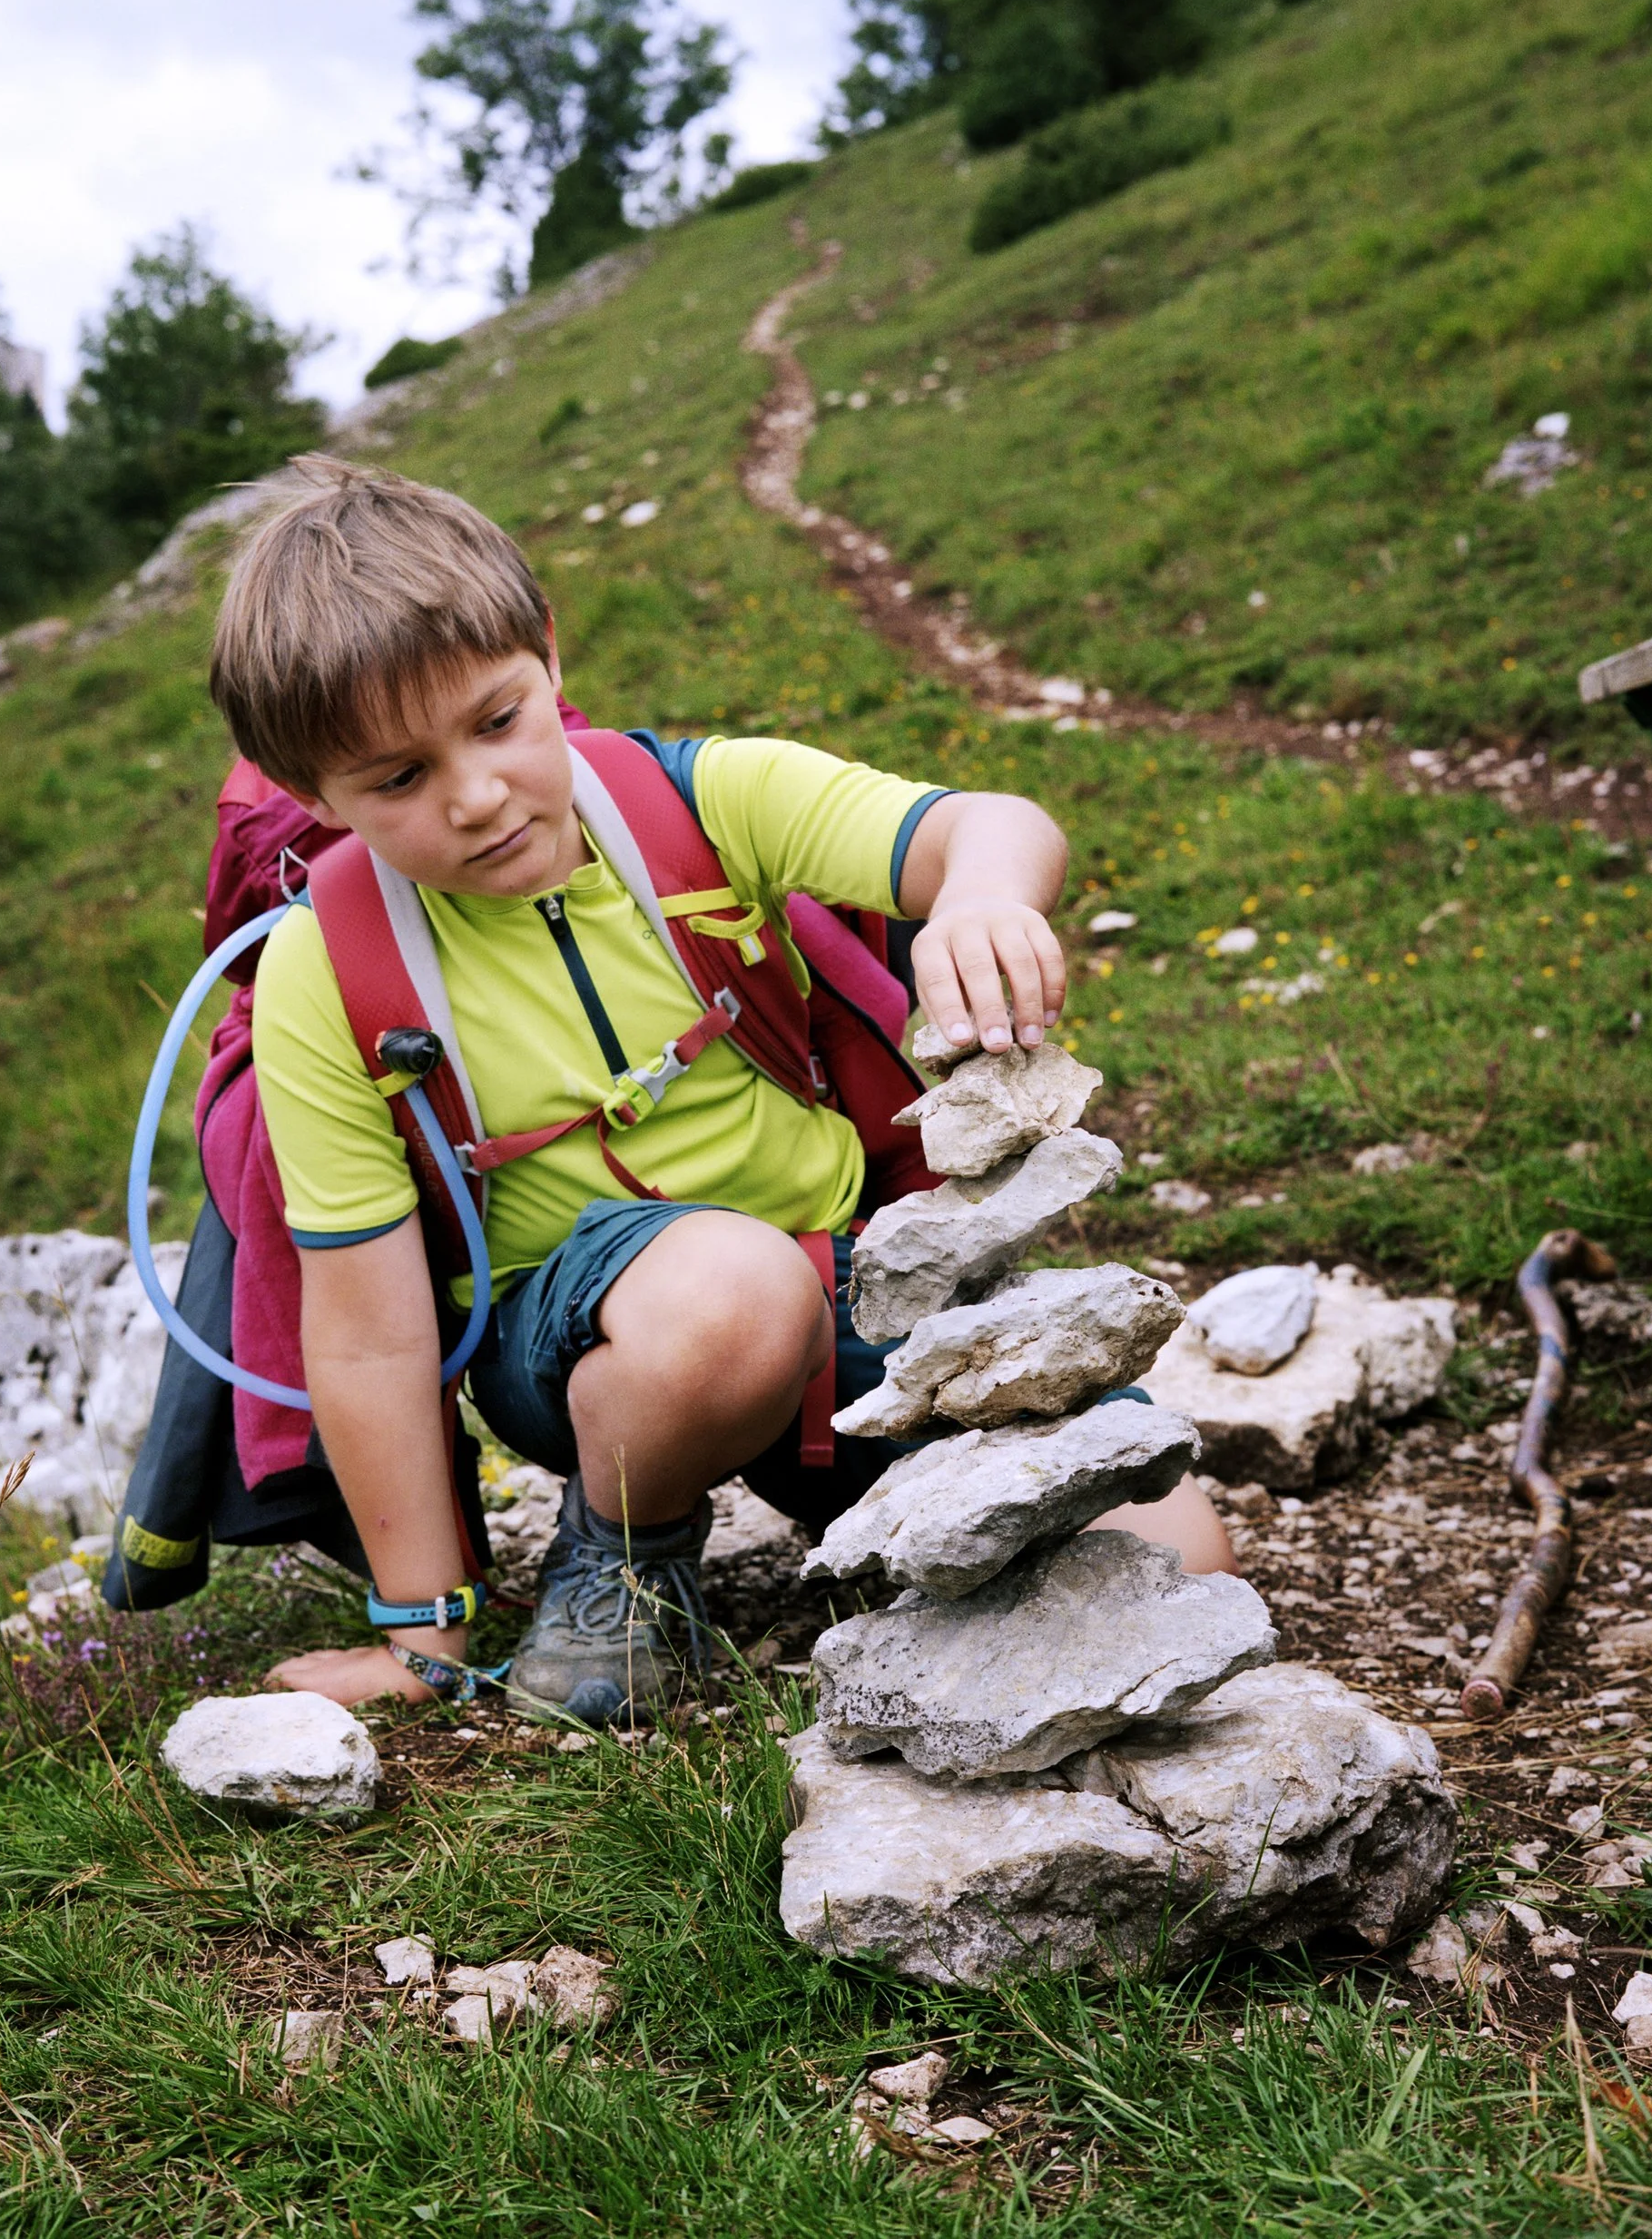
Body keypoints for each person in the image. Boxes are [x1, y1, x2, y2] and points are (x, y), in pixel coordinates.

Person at [209, 457, 1232, 1724]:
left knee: (1181, 1554)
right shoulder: (324, 963)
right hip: (587, 1347)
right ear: (315, 795)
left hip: (856, 1303)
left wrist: (979, 897)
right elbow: (368, 1331)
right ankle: (622, 1554)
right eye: (396, 780)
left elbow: (990, 823)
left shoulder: (696, 797)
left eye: (495, 721)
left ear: (546, 652)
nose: (475, 798)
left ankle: (875, 1509)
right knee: (734, 1292)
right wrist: (423, 1632)